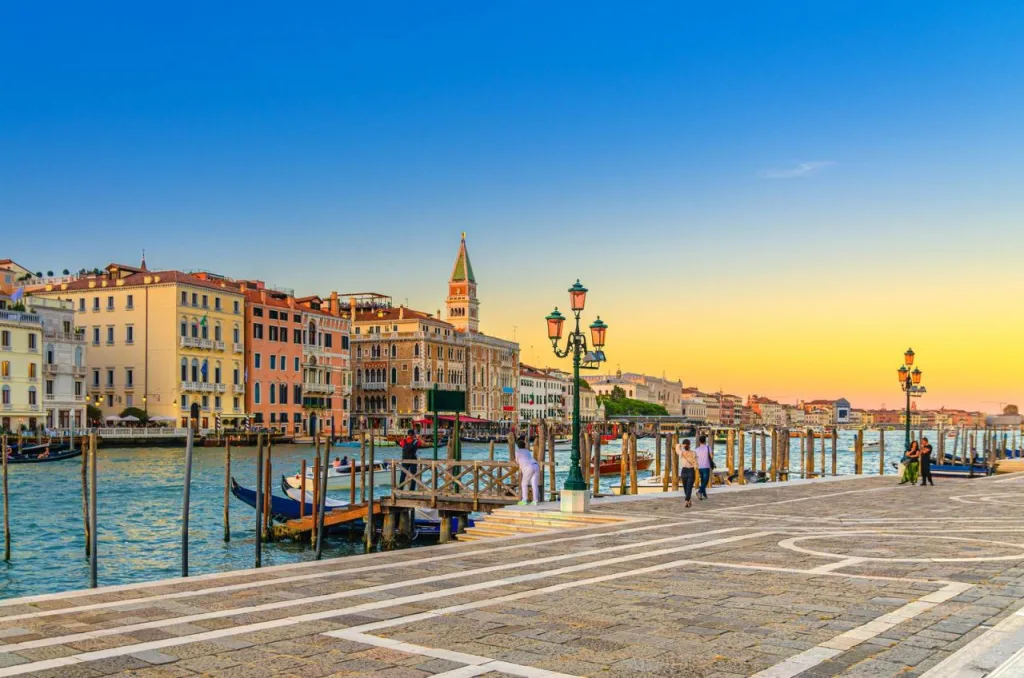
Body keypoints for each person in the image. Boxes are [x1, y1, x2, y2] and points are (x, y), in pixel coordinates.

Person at [515, 437, 540, 506]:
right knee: (534, 484)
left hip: (529, 468)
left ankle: (524, 500)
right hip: (536, 465)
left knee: (524, 484)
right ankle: (535, 501)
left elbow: (517, 461)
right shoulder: (527, 451)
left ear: (518, 446)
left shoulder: (518, 452)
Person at [676, 438, 697, 508]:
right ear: (689, 445)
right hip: (689, 470)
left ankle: (686, 500)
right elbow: (696, 463)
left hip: (687, 470)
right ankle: (688, 500)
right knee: (686, 487)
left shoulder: (682, 453)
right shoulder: (691, 453)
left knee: (688, 487)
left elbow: (677, 446)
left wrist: (682, 445)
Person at [695, 435, 713, 500]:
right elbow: (711, 457)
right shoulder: (708, 448)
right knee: (706, 480)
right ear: (705, 441)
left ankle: (704, 494)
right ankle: (699, 492)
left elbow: (695, 459)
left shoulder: (696, 449)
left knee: (703, 480)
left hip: (700, 467)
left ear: (699, 441)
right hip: (706, 466)